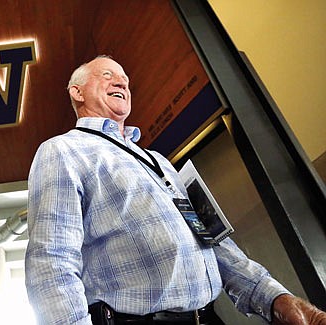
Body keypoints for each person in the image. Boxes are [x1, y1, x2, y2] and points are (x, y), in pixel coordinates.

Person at [24, 55, 326, 325]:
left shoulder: (160, 162)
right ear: (76, 91)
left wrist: (274, 298)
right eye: (107, 75)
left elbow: (212, 240)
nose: (121, 82)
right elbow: (51, 261)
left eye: (125, 79)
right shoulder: (62, 151)